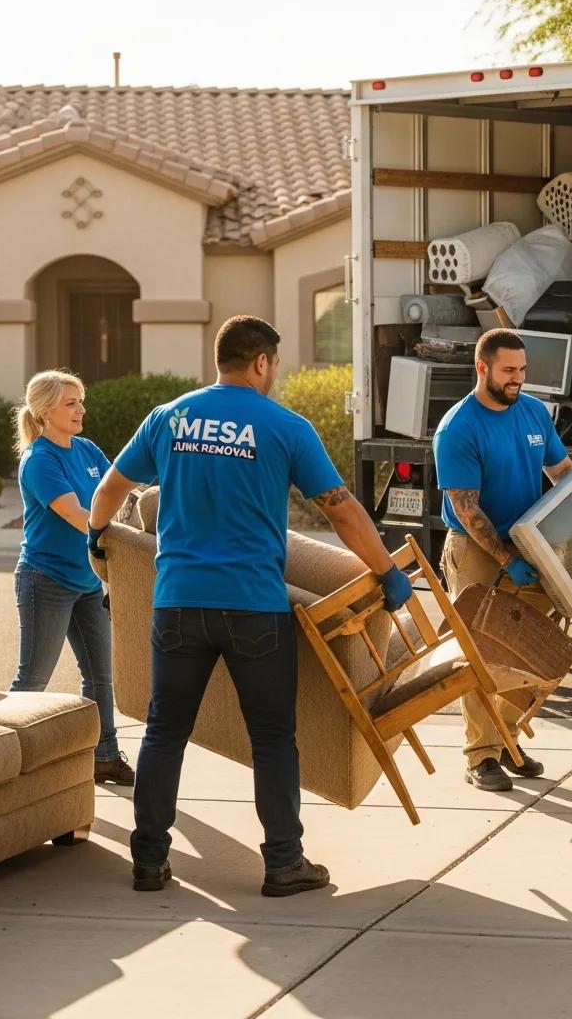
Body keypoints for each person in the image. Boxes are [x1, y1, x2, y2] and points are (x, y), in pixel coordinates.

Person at [88, 315, 412, 896]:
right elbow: (340, 509)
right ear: (261, 361)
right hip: (254, 609)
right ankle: (283, 863)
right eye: (275, 365)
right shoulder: (285, 426)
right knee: (271, 737)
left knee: (164, 732)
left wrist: (97, 535)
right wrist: (386, 571)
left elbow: (112, 486)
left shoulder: (170, 417)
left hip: (179, 603)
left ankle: (149, 860)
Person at [435, 329, 572, 792]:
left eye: (522, 370)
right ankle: (481, 756)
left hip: (530, 545)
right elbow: (465, 508)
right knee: (482, 653)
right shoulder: (459, 427)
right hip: (478, 550)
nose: (518, 379)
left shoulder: (533, 412)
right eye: (508, 371)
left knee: (533, 649)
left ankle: (508, 740)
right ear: (483, 368)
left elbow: (561, 473)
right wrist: (505, 557)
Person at [11, 370, 132, 784]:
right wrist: (121, 538)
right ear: (46, 410)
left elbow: (117, 493)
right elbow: (78, 516)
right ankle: (6, 759)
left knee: (100, 675)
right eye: (71, 403)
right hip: (45, 580)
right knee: (33, 678)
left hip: (86, 582)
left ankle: (106, 756)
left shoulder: (86, 449)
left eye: (81, 401)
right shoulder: (40, 460)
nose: (81, 409)